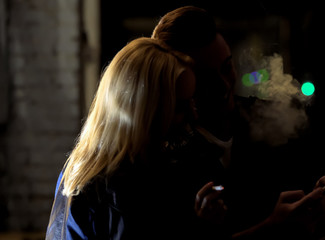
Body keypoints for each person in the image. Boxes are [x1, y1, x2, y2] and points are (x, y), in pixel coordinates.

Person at [152, 5, 325, 239]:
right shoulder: (167, 155)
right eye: (206, 78)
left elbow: (301, 218)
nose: (224, 86)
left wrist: (320, 197)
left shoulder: (263, 119)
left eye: (227, 67)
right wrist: (273, 227)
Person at [45, 37, 231, 239]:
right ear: (144, 112)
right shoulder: (103, 189)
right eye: (179, 107)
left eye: (192, 102)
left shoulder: (169, 165)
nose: (193, 116)